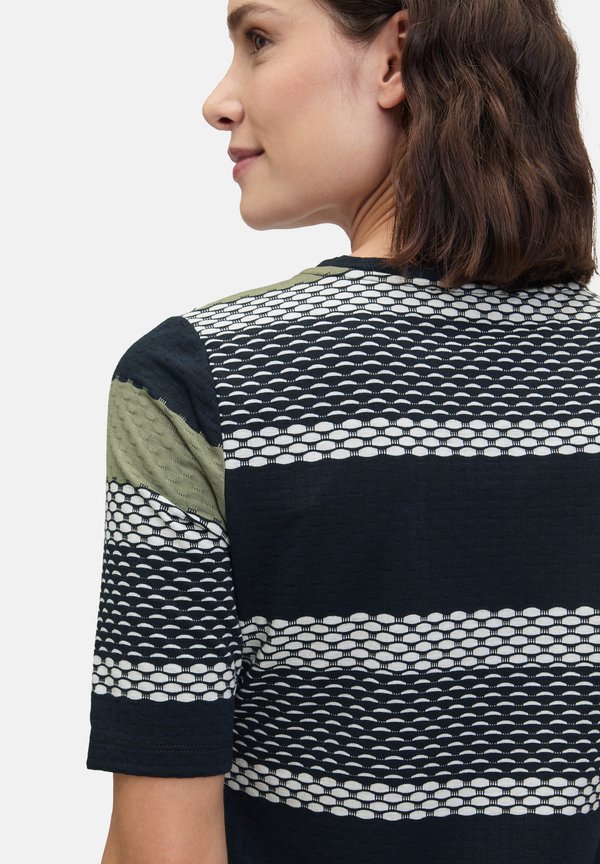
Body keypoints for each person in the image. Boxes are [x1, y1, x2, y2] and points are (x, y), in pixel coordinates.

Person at [86, 1, 600, 862]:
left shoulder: (195, 382)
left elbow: (162, 847)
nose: (219, 101)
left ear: (395, 59)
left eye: (259, 39)